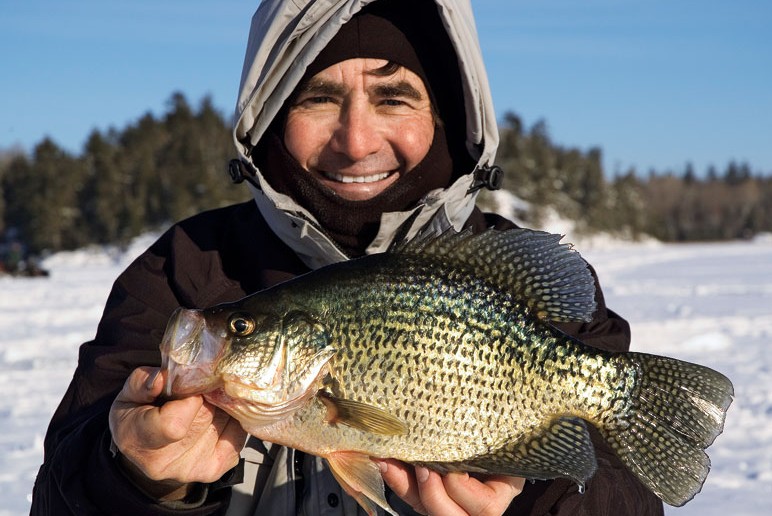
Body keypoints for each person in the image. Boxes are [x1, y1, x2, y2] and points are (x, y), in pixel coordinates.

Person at [31, 0, 664, 514]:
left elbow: (626, 494)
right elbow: (57, 495)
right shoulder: (187, 270)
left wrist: (528, 502)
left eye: (393, 98)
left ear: (446, 117)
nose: (357, 141)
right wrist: (136, 481)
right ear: (273, 115)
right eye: (317, 97)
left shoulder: (503, 265)